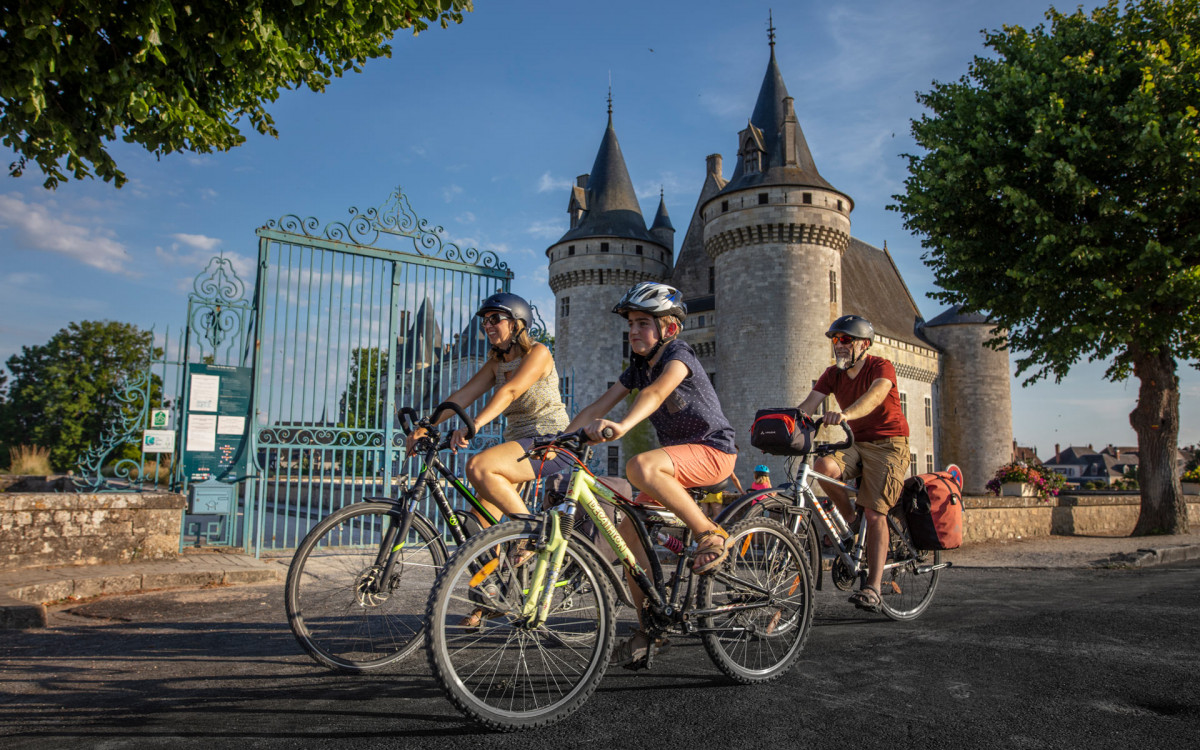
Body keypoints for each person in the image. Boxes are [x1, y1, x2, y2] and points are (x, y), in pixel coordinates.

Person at [565, 281, 738, 667]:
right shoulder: (638, 368)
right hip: (675, 461)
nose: (633, 331)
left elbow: (657, 394)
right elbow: (599, 404)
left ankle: (710, 534)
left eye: (643, 323)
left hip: (713, 452)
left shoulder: (680, 356)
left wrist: (623, 425)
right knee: (629, 533)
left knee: (640, 465)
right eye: (631, 324)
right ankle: (650, 629)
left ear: (669, 329)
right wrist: (562, 439)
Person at [404, 291, 571, 529]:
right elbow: (462, 396)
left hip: (549, 441)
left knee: (478, 466)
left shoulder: (538, 353)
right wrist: (427, 425)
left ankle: (534, 533)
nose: (487, 325)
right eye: (485, 321)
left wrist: (475, 424)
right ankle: (501, 563)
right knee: (477, 528)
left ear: (516, 324)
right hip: (518, 446)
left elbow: (510, 391)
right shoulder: (496, 364)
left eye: (495, 319)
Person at [795, 314, 910, 613]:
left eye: (846, 339)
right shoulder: (832, 374)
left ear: (864, 345)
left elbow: (875, 397)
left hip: (889, 444)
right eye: (835, 340)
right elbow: (807, 407)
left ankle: (872, 586)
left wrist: (846, 414)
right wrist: (782, 424)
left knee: (875, 513)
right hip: (855, 443)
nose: (839, 345)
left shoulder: (880, 366)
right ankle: (850, 521)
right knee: (823, 467)